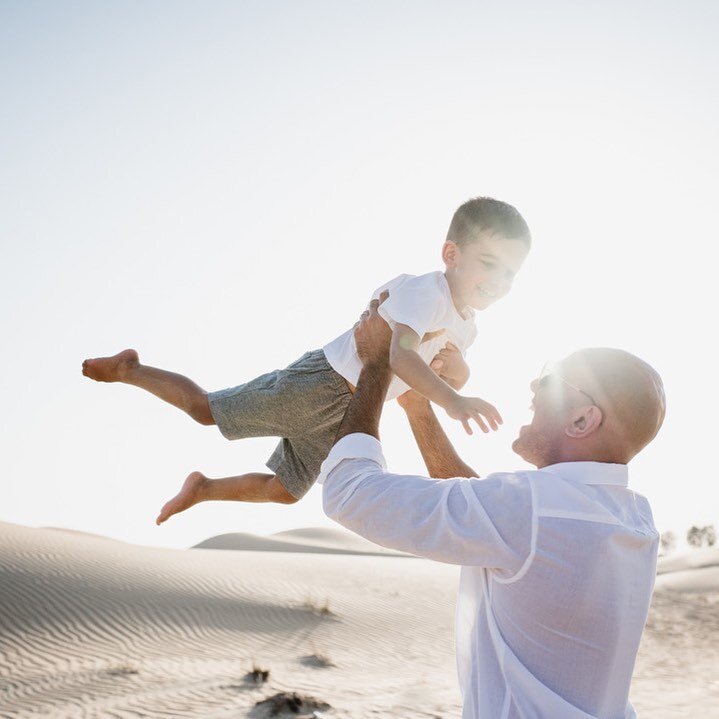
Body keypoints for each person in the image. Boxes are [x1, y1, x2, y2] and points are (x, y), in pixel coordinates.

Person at [320, 293, 666, 719]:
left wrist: (376, 365)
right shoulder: (633, 518)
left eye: (551, 379)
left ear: (582, 420)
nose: (534, 386)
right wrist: (417, 407)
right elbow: (492, 516)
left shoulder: (530, 509)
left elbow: (349, 493)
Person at [81, 197, 531, 522]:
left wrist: (459, 374)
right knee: (206, 412)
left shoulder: (467, 322)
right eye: (488, 263)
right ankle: (129, 368)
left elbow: (447, 367)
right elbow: (400, 355)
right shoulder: (427, 292)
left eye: (510, 272)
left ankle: (202, 489)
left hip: (351, 415)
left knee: (285, 492)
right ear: (451, 254)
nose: (499, 280)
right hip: (324, 384)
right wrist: (453, 400)